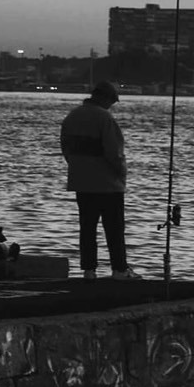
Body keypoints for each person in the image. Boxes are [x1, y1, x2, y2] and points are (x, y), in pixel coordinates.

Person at [60, 81, 140, 281]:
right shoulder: (105, 118)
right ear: (104, 98)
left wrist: (79, 168)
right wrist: (122, 174)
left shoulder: (72, 116)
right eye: (112, 101)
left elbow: (66, 150)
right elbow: (114, 153)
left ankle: (89, 270)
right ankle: (119, 270)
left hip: (81, 182)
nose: (111, 105)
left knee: (87, 228)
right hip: (107, 184)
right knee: (114, 229)